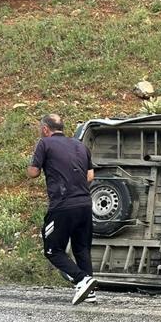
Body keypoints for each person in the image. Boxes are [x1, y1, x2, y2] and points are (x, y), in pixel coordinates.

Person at [28, 113, 97, 305]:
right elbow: (90, 176)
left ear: (45, 129)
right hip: (84, 204)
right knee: (82, 248)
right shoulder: (80, 145)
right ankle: (89, 293)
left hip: (62, 206)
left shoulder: (44, 143)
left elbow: (33, 172)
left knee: (52, 250)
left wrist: (32, 162)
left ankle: (82, 279)